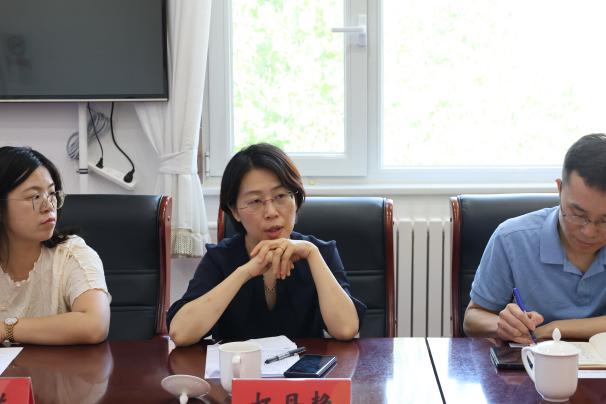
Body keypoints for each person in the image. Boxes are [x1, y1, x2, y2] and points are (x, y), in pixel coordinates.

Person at [168, 143, 365, 346]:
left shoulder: (320, 252)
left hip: (303, 366)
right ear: (234, 211)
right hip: (238, 366)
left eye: (280, 196)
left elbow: (346, 329)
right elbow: (181, 334)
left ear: (296, 199)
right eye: (255, 201)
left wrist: (312, 255)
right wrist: (246, 271)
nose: (271, 212)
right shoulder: (220, 258)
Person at [464, 134, 606, 344]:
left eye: (604, 220)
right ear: (559, 189)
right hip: (529, 362)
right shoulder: (512, 239)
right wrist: (505, 325)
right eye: (578, 215)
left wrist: (551, 329)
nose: (589, 232)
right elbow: (472, 318)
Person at [0, 146, 111, 345]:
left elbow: (95, 324)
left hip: (59, 366)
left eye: (51, 193)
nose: (49, 206)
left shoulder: (72, 255)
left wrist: (5, 330)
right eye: (34, 197)